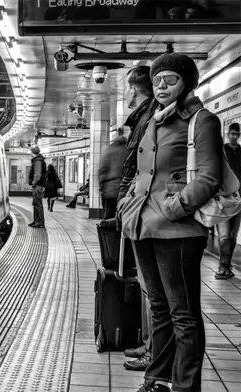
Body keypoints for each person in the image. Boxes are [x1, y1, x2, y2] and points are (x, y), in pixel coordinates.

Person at [118, 53, 223, 392]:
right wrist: (126, 205)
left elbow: (209, 177)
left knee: (184, 314)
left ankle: (185, 386)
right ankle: (156, 380)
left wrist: (174, 208)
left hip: (178, 230)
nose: (161, 86)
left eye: (170, 80)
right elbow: (138, 172)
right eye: (157, 80)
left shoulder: (201, 120)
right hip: (143, 225)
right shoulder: (153, 121)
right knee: (159, 307)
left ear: (187, 83)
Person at [118, 65, 159, 372]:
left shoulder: (149, 119)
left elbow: (142, 171)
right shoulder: (144, 118)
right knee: (151, 291)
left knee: (155, 293)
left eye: (129, 88)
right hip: (141, 210)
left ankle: (155, 356)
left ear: (136, 89)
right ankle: (151, 347)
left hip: (149, 212)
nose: (127, 93)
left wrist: (129, 204)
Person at [215, 122, 241, 279]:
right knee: (224, 234)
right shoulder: (222, 151)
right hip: (224, 198)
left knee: (232, 234)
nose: (234, 137)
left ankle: (226, 264)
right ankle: (223, 266)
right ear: (228, 133)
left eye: (237, 134)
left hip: (239, 199)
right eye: (232, 134)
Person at [98, 128, 127, 219]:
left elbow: (102, 169)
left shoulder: (109, 150)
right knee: (124, 213)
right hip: (127, 187)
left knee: (109, 213)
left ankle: (107, 231)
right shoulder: (129, 149)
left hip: (110, 188)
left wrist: (101, 185)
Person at [28, 146, 46, 228]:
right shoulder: (38, 160)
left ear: (33, 152)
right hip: (38, 185)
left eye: (30, 152)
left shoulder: (38, 161)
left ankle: (40, 222)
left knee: (38, 204)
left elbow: (37, 174)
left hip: (38, 185)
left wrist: (33, 182)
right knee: (36, 203)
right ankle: (36, 221)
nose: (30, 154)